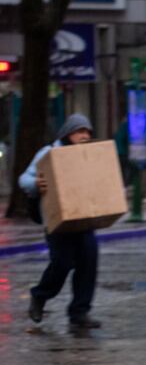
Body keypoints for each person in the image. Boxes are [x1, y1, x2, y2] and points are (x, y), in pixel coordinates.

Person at [20, 114, 102, 332]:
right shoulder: (49, 153)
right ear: (68, 134)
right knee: (62, 263)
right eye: (80, 131)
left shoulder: (90, 156)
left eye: (87, 132)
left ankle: (79, 313)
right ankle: (39, 296)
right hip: (58, 223)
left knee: (88, 263)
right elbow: (24, 179)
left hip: (84, 220)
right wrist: (36, 183)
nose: (85, 136)